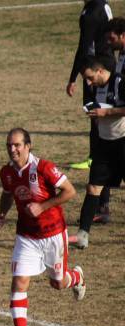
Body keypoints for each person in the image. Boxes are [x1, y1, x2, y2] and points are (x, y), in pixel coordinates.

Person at [0, 128, 86, 326]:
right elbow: (8, 193)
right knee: (19, 281)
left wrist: (43, 206)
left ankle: (76, 277)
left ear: (28, 146)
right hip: (26, 236)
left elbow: (69, 191)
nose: (12, 149)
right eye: (9, 145)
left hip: (53, 235)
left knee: (57, 283)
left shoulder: (44, 168)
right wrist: (2, 213)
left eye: (17, 145)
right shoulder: (6, 172)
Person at [75, 28, 125, 248]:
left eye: (89, 77)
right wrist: (95, 113)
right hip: (104, 145)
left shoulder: (120, 82)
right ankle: (83, 234)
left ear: (100, 70)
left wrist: (107, 113)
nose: (89, 83)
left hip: (123, 142)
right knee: (93, 188)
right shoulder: (97, 89)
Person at [66, 0, 113, 188]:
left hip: (95, 68)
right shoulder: (102, 4)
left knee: (96, 113)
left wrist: (73, 77)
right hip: (106, 63)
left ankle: (97, 158)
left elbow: (83, 47)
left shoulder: (91, 13)